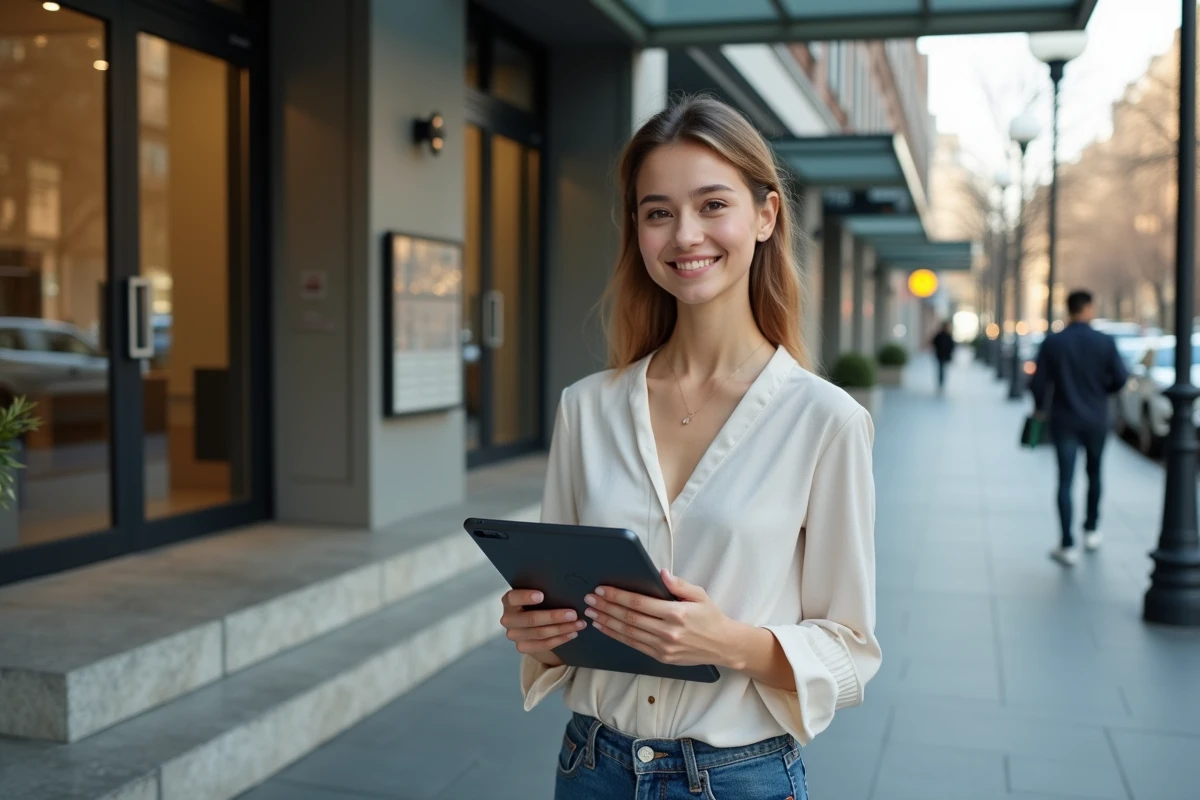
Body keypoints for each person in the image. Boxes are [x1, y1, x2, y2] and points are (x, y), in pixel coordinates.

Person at [497, 96, 880, 799]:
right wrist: (537, 627)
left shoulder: (826, 420)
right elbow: (560, 619)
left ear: (765, 217)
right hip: (591, 769)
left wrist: (722, 642)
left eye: (712, 205)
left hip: (739, 779)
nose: (684, 235)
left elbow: (850, 648)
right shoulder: (586, 408)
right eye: (658, 212)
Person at [1030, 290, 1129, 567]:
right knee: (1095, 474)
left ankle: (1067, 544)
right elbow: (1121, 379)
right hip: (1097, 419)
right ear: (1088, 308)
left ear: (1069, 309)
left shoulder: (1054, 342)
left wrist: (1040, 407)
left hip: (1064, 419)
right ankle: (1092, 529)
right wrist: (1101, 392)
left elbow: (1038, 383)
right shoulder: (1105, 342)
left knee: (1065, 480)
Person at [931, 321, 955, 392]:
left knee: (943, 370)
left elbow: (952, 346)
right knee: (941, 370)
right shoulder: (940, 335)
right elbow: (934, 342)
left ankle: (941, 383)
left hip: (945, 355)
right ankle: (940, 383)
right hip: (940, 355)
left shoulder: (948, 336)